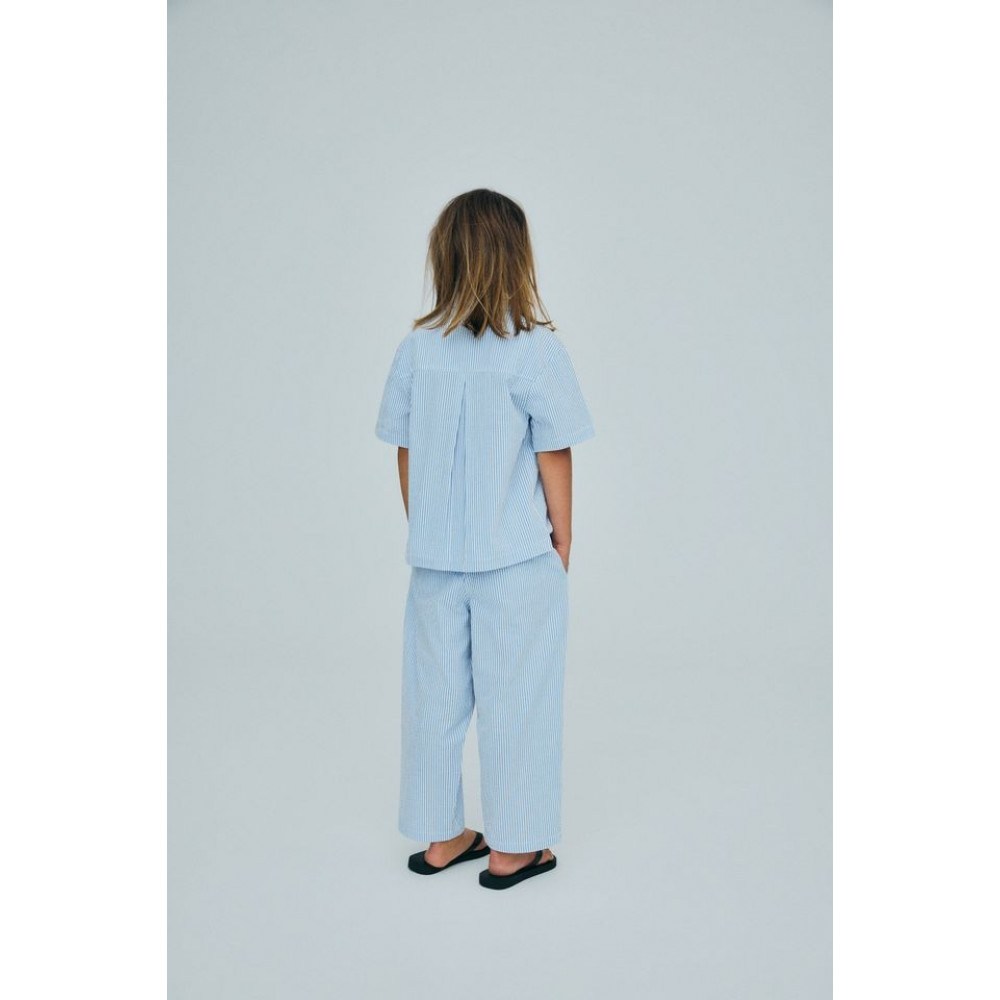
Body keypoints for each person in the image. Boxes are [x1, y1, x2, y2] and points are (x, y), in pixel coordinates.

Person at [375, 189, 596, 890]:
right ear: (516, 259)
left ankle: (442, 837)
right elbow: (553, 449)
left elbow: (405, 447)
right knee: (518, 701)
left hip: (435, 562)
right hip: (516, 559)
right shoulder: (536, 351)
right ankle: (513, 849)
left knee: (432, 702)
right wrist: (563, 538)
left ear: (444, 257)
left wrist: (427, 526)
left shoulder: (416, 350)